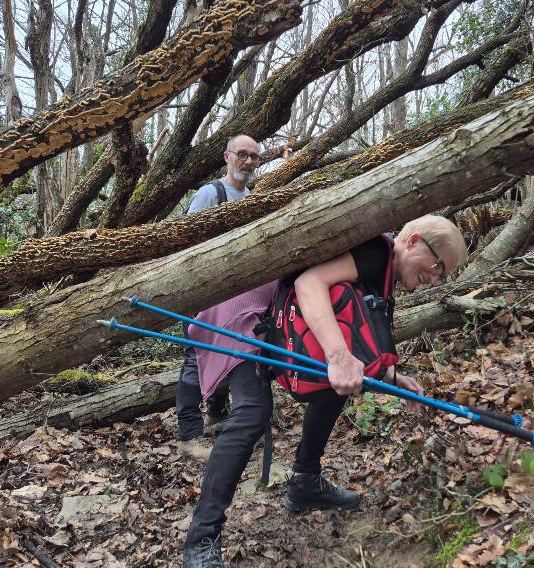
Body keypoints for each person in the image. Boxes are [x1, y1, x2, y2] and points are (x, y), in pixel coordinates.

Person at [182, 215, 469, 567]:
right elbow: (309, 284)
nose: (434, 279)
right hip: (245, 312)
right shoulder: (376, 252)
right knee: (253, 412)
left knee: (337, 385)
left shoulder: (381, 270)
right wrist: (338, 356)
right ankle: (201, 537)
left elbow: (354, 331)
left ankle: (305, 482)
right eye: (437, 267)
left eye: (442, 275)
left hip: (274, 316)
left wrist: (391, 377)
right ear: (412, 242)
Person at [176, 134, 261, 462]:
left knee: (229, 353)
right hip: (202, 291)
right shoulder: (210, 193)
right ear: (227, 156)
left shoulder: (250, 197)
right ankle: (188, 435)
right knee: (196, 357)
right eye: (242, 154)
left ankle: (216, 414)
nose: (248, 162)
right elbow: (186, 241)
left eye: (254, 156)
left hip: (234, 294)